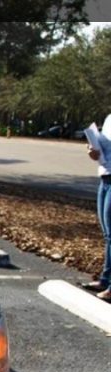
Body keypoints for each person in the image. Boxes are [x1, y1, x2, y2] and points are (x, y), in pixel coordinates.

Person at [83, 112, 111, 302]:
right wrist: (93, 151)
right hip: (105, 177)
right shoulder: (110, 118)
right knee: (107, 234)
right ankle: (105, 279)